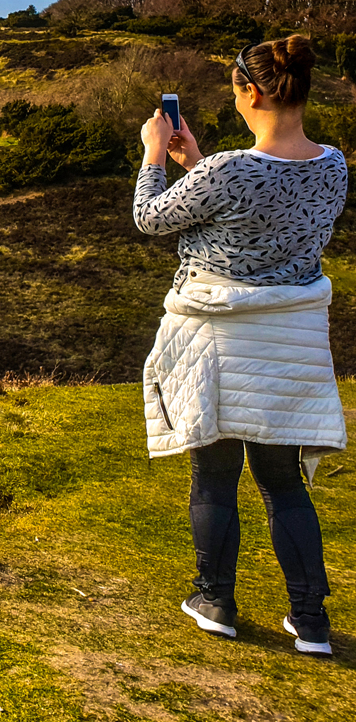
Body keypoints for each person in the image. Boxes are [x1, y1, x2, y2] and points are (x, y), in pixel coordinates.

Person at [134, 34, 347, 657]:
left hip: (220, 334)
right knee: (283, 483)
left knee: (216, 474)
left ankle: (216, 600)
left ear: (248, 91)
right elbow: (264, 202)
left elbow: (151, 218)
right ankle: (311, 621)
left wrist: (154, 156)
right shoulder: (332, 164)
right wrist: (197, 160)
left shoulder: (230, 171)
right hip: (289, 338)